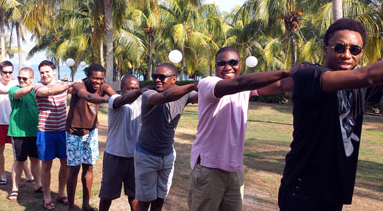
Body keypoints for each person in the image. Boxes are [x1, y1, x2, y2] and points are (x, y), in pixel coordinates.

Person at [278, 19, 383, 210]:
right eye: (339, 47)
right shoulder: (310, 75)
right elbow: (370, 75)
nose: (347, 55)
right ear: (326, 49)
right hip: (303, 190)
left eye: (355, 50)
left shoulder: (359, 86)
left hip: (334, 189)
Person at [188, 47, 293, 211]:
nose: (227, 67)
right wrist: (287, 71)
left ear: (240, 65)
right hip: (209, 167)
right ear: (215, 66)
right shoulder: (208, 83)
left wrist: (312, 73)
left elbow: (282, 85)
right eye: (221, 63)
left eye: (233, 62)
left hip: (234, 168)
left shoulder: (245, 88)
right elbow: (241, 82)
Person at [135, 63, 198, 211]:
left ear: (174, 79)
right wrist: (194, 84)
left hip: (167, 155)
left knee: (159, 200)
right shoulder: (149, 94)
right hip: (146, 155)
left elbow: (202, 97)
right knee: (144, 201)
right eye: (155, 76)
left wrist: (213, 87)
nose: (157, 80)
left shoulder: (184, 94)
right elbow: (163, 98)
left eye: (162, 77)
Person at [66, 64, 116, 211]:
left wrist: (122, 99)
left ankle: (86, 205)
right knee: (74, 170)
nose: (98, 82)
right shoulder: (79, 85)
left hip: (91, 132)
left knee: (88, 168)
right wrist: (108, 101)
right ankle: (70, 206)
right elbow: (87, 96)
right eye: (94, 78)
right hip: (74, 132)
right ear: (88, 77)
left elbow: (115, 96)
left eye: (101, 79)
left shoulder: (103, 87)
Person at [98, 75, 150, 211]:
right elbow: (122, 100)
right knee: (107, 195)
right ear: (121, 89)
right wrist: (139, 92)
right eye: (130, 88)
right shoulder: (114, 99)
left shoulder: (141, 102)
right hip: (114, 156)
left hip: (135, 157)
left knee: (134, 195)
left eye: (136, 88)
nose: (134, 91)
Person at [33, 60, 73, 210]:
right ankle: (47, 195)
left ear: (54, 71)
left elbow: (80, 92)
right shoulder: (38, 86)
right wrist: (69, 85)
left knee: (66, 163)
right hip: (45, 132)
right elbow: (47, 92)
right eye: (42, 72)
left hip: (63, 131)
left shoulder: (62, 85)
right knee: (47, 165)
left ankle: (61, 193)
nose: (44, 75)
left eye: (47, 72)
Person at [7, 67, 42, 200]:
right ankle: (15, 188)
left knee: (35, 159)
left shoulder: (37, 91)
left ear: (31, 78)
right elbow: (18, 94)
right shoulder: (14, 89)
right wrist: (34, 86)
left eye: (25, 78)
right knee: (19, 160)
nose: (21, 80)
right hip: (18, 131)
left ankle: (38, 184)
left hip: (35, 131)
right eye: (19, 77)